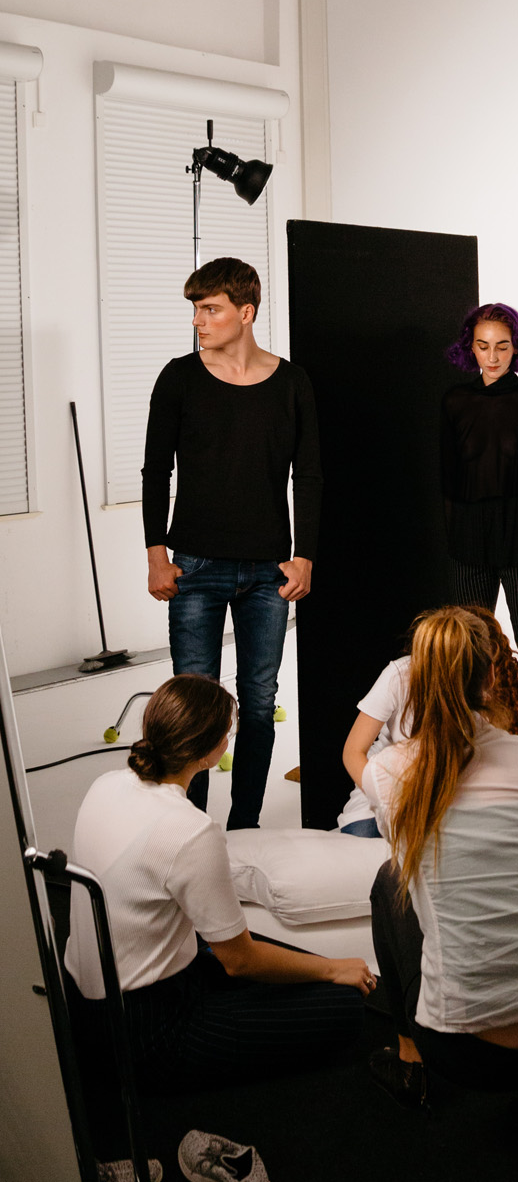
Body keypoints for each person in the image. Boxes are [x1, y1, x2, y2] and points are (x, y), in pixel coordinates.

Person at [64, 674, 374, 1098]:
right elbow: (240, 961)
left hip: (84, 1002)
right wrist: (333, 967)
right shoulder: (190, 830)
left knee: (286, 964)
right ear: (211, 752)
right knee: (343, 1007)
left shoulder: (106, 784)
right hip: (146, 1031)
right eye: (228, 733)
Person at [364, 608, 518, 1113]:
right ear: (489, 679)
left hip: (465, 1054)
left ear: (416, 684)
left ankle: (411, 1061)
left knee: (391, 880)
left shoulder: (386, 773)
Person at [141, 257, 322, 829]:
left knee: (260, 704)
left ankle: (245, 827)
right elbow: (155, 471)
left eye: (210, 309)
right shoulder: (179, 377)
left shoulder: (291, 382)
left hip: (268, 571)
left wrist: (304, 555)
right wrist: (156, 554)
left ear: (246, 312)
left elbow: (309, 476)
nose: (198, 320)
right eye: (196, 309)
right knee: (193, 707)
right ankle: (189, 827)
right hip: (195, 567)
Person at [441, 302, 518, 752]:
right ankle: (476, 754)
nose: (492, 357)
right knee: (467, 657)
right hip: (469, 542)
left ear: (517, 348)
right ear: (470, 348)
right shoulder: (455, 402)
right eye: (483, 346)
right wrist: (455, 547)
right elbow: (447, 485)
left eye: (502, 346)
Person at [338, 606, 518, 836]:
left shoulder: (483, 688)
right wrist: (388, 800)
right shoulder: (400, 675)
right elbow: (353, 752)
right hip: (384, 798)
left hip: (448, 804)